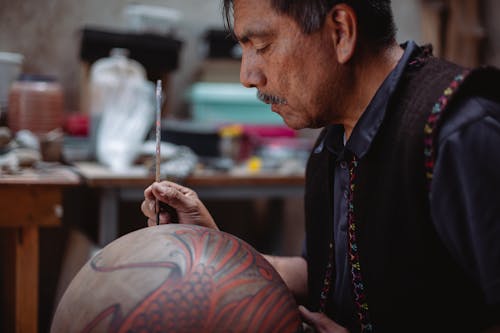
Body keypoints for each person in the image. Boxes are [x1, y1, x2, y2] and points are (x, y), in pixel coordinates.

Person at [142, 0, 500, 332]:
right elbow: (324, 277)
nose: (248, 76)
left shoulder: (457, 135)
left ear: (341, 32)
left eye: (262, 46)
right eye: (243, 49)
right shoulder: (333, 143)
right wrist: (212, 251)